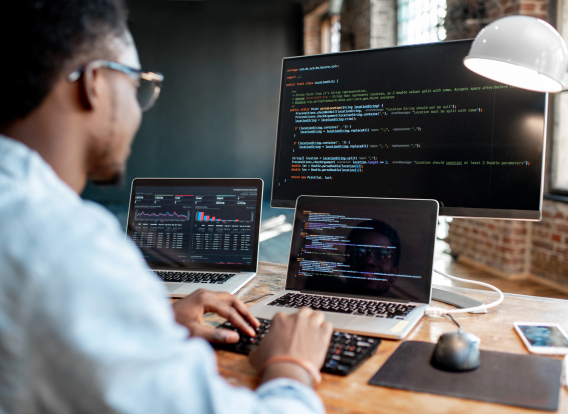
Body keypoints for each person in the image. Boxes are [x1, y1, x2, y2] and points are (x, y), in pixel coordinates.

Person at [0, 1, 332, 413]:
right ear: (95, 83)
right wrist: (292, 365)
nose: (140, 110)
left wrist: (144, 327)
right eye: (138, 83)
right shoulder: (65, 246)